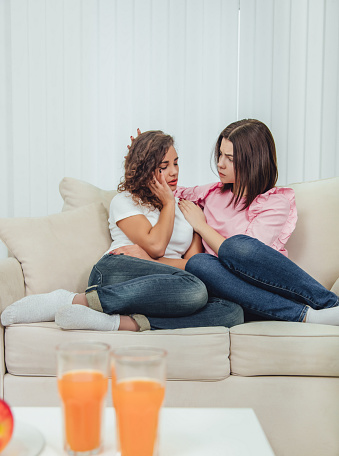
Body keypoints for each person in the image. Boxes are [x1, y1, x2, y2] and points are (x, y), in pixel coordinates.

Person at [1, 130, 243, 332]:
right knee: (196, 290)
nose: (174, 172)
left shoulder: (187, 209)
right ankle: (70, 300)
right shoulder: (126, 201)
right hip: (118, 272)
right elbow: (157, 244)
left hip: (165, 287)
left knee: (231, 311)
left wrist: (154, 258)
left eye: (176, 163)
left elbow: (194, 265)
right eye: (163, 166)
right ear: (147, 169)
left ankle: (121, 323)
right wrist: (168, 203)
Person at [175, 118, 339, 325]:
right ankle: (306, 316)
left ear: (254, 161)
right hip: (235, 293)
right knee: (198, 263)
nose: (220, 163)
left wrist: (201, 226)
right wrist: (143, 157)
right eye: (220, 155)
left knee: (237, 246)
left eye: (230, 158)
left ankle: (330, 305)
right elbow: (166, 188)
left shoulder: (275, 203)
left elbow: (245, 258)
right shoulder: (210, 192)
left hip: (266, 285)